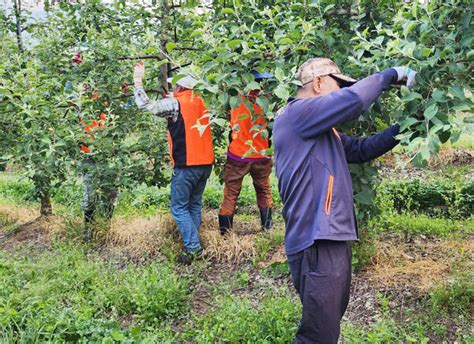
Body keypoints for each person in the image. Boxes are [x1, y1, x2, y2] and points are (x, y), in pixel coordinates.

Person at [273, 57, 416, 343]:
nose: (341, 92)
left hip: (328, 236)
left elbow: (362, 150)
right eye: (337, 85)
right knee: (319, 336)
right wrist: (390, 74)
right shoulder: (298, 113)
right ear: (317, 83)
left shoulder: (320, 129)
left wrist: (408, 124)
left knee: (327, 325)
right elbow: (354, 100)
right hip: (316, 238)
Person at [133, 61, 214, 264]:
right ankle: (193, 241)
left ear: (180, 87)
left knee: (178, 208)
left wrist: (137, 81)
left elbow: (146, 106)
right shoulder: (201, 102)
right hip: (205, 163)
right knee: (194, 204)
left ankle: (193, 248)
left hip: (186, 164)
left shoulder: (175, 103)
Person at [218, 71, 274, 235]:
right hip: (261, 153)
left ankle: (225, 234)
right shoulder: (267, 101)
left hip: (239, 154)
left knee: (231, 193)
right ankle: (267, 229)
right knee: (263, 190)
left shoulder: (236, 100)